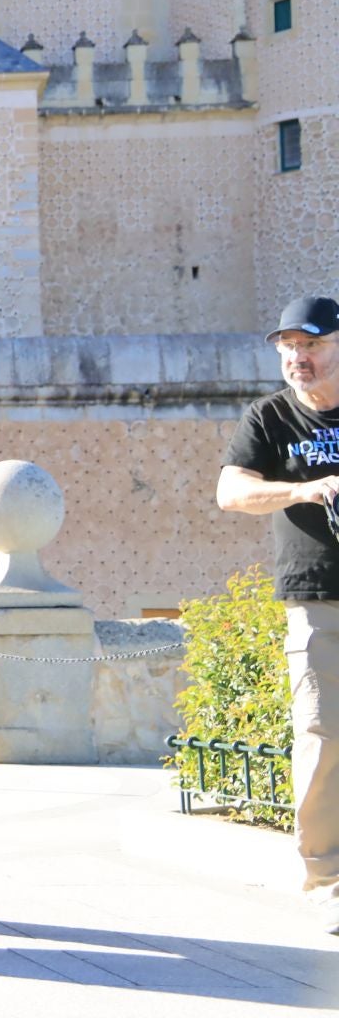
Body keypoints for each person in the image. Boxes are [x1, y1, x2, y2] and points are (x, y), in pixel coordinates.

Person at [218, 294, 339, 936]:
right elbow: (230, 491)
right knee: (323, 736)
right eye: (288, 347)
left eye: (311, 344)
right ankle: (327, 877)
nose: (298, 358)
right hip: (318, 596)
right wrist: (305, 488)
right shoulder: (269, 418)